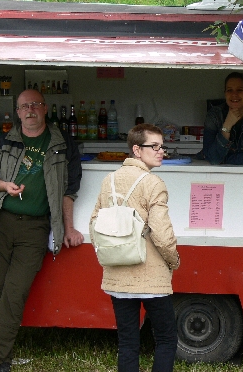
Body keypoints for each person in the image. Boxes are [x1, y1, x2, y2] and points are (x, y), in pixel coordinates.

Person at [0, 89, 84, 372]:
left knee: (14, 291)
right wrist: (4, 186)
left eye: (35, 104)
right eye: (25, 106)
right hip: (1, 222)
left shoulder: (63, 144)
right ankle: (2, 359)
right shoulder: (4, 141)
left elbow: (69, 191)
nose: (30, 110)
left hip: (36, 228)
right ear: (18, 112)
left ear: (45, 108)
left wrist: (69, 228)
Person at [90, 123, 180, 372]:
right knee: (166, 339)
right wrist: (173, 260)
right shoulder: (153, 183)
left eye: (162, 147)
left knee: (128, 342)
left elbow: (94, 223)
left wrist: (108, 252)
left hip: (117, 274)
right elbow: (161, 233)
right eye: (155, 146)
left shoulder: (109, 181)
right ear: (137, 150)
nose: (161, 152)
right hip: (151, 277)